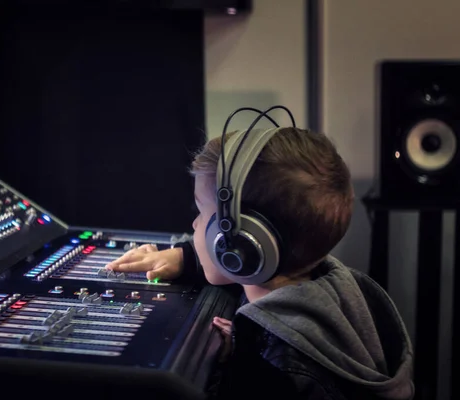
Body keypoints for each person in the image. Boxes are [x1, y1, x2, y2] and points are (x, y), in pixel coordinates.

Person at [105, 126, 414, 399]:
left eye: (202, 213)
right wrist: (185, 257)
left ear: (241, 243)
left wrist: (232, 372)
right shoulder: (330, 285)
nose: (195, 224)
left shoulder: (276, 369)